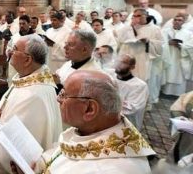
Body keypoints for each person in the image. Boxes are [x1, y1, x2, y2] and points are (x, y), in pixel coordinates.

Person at [12, 70, 155, 174]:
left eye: (64, 94)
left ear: (89, 109)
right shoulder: (90, 130)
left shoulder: (113, 169)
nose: (58, 99)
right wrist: (37, 166)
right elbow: (63, 155)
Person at [0, 34, 62, 174]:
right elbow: (11, 99)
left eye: (15, 48)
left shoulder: (34, 96)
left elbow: (13, 151)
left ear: (27, 59)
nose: (10, 51)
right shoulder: (27, 77)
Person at [118, 8, 162, 105]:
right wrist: (130, 26)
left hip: (142, 57)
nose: (135, 18)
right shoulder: (129, 26)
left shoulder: (155, 29)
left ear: (145, 16)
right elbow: (120, 38)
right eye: (134, 16)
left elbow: (160, 46)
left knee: (140, 79)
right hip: (128, 54)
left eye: (138, 16)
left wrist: (148, 41)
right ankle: (123, 100)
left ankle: (141, 103)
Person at [114, 54, 149, 130]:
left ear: (132, 67)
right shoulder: (110, 76)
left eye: (123, 63)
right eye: (117, 61)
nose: (118, 65)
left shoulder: (139, 85)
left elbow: (131, 108)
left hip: (127, 124)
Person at [161, 13, 193, 96]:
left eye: (179, 20)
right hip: (168, 56)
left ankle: (178, 93)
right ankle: (165, 92)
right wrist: (168, 43)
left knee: (179, 75)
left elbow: (191, 46)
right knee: (168, 72)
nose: (177, 21)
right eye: (175, 20)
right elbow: (159, 43)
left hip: (180, 57)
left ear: (183, 22)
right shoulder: (164, 31)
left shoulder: (188, 34)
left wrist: (181, 46)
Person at [6, 15, 36, 84]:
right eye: (20, 24)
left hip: (28, 67)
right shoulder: (14, 37)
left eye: (24, 23)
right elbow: (8, 48)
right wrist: (9, 52)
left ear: (29, 24)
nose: (21, 25)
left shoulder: (35, 38)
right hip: (15, 68)